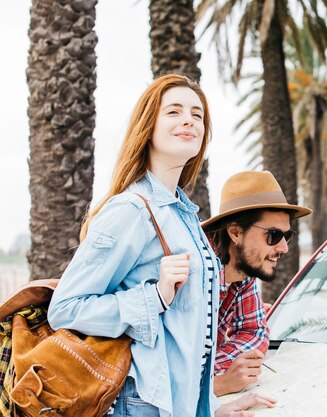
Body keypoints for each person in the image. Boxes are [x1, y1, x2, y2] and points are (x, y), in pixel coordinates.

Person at [47, 74, 275, 417]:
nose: (189, 120)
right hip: (139, 403)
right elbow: (65, 308)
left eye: (198, 115)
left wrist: (210, 408)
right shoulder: (131, 210)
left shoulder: (183, 214)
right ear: (148, 126)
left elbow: (192, 341)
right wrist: (152, 297)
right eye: (174, 111)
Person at [201, 170, 312, 396]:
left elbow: (255, 332)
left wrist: (214, 368)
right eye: (273, 235)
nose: (284, 248)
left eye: (286, 236)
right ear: (235, 233)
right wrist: (218, 384)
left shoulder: (244, 272)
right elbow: (163, 372)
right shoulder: (194, 277)